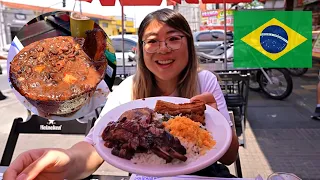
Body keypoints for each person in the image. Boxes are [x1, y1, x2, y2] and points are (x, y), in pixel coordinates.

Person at [4, 8, 239, 180]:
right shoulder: (128, 88)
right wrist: (65, 160)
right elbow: (95, 147)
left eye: (174, 38)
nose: (164, 48)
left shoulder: (204, 80)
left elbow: (228, 158)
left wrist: (218, 120)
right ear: (141, 50)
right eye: (152, 41)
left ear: (189, 44)